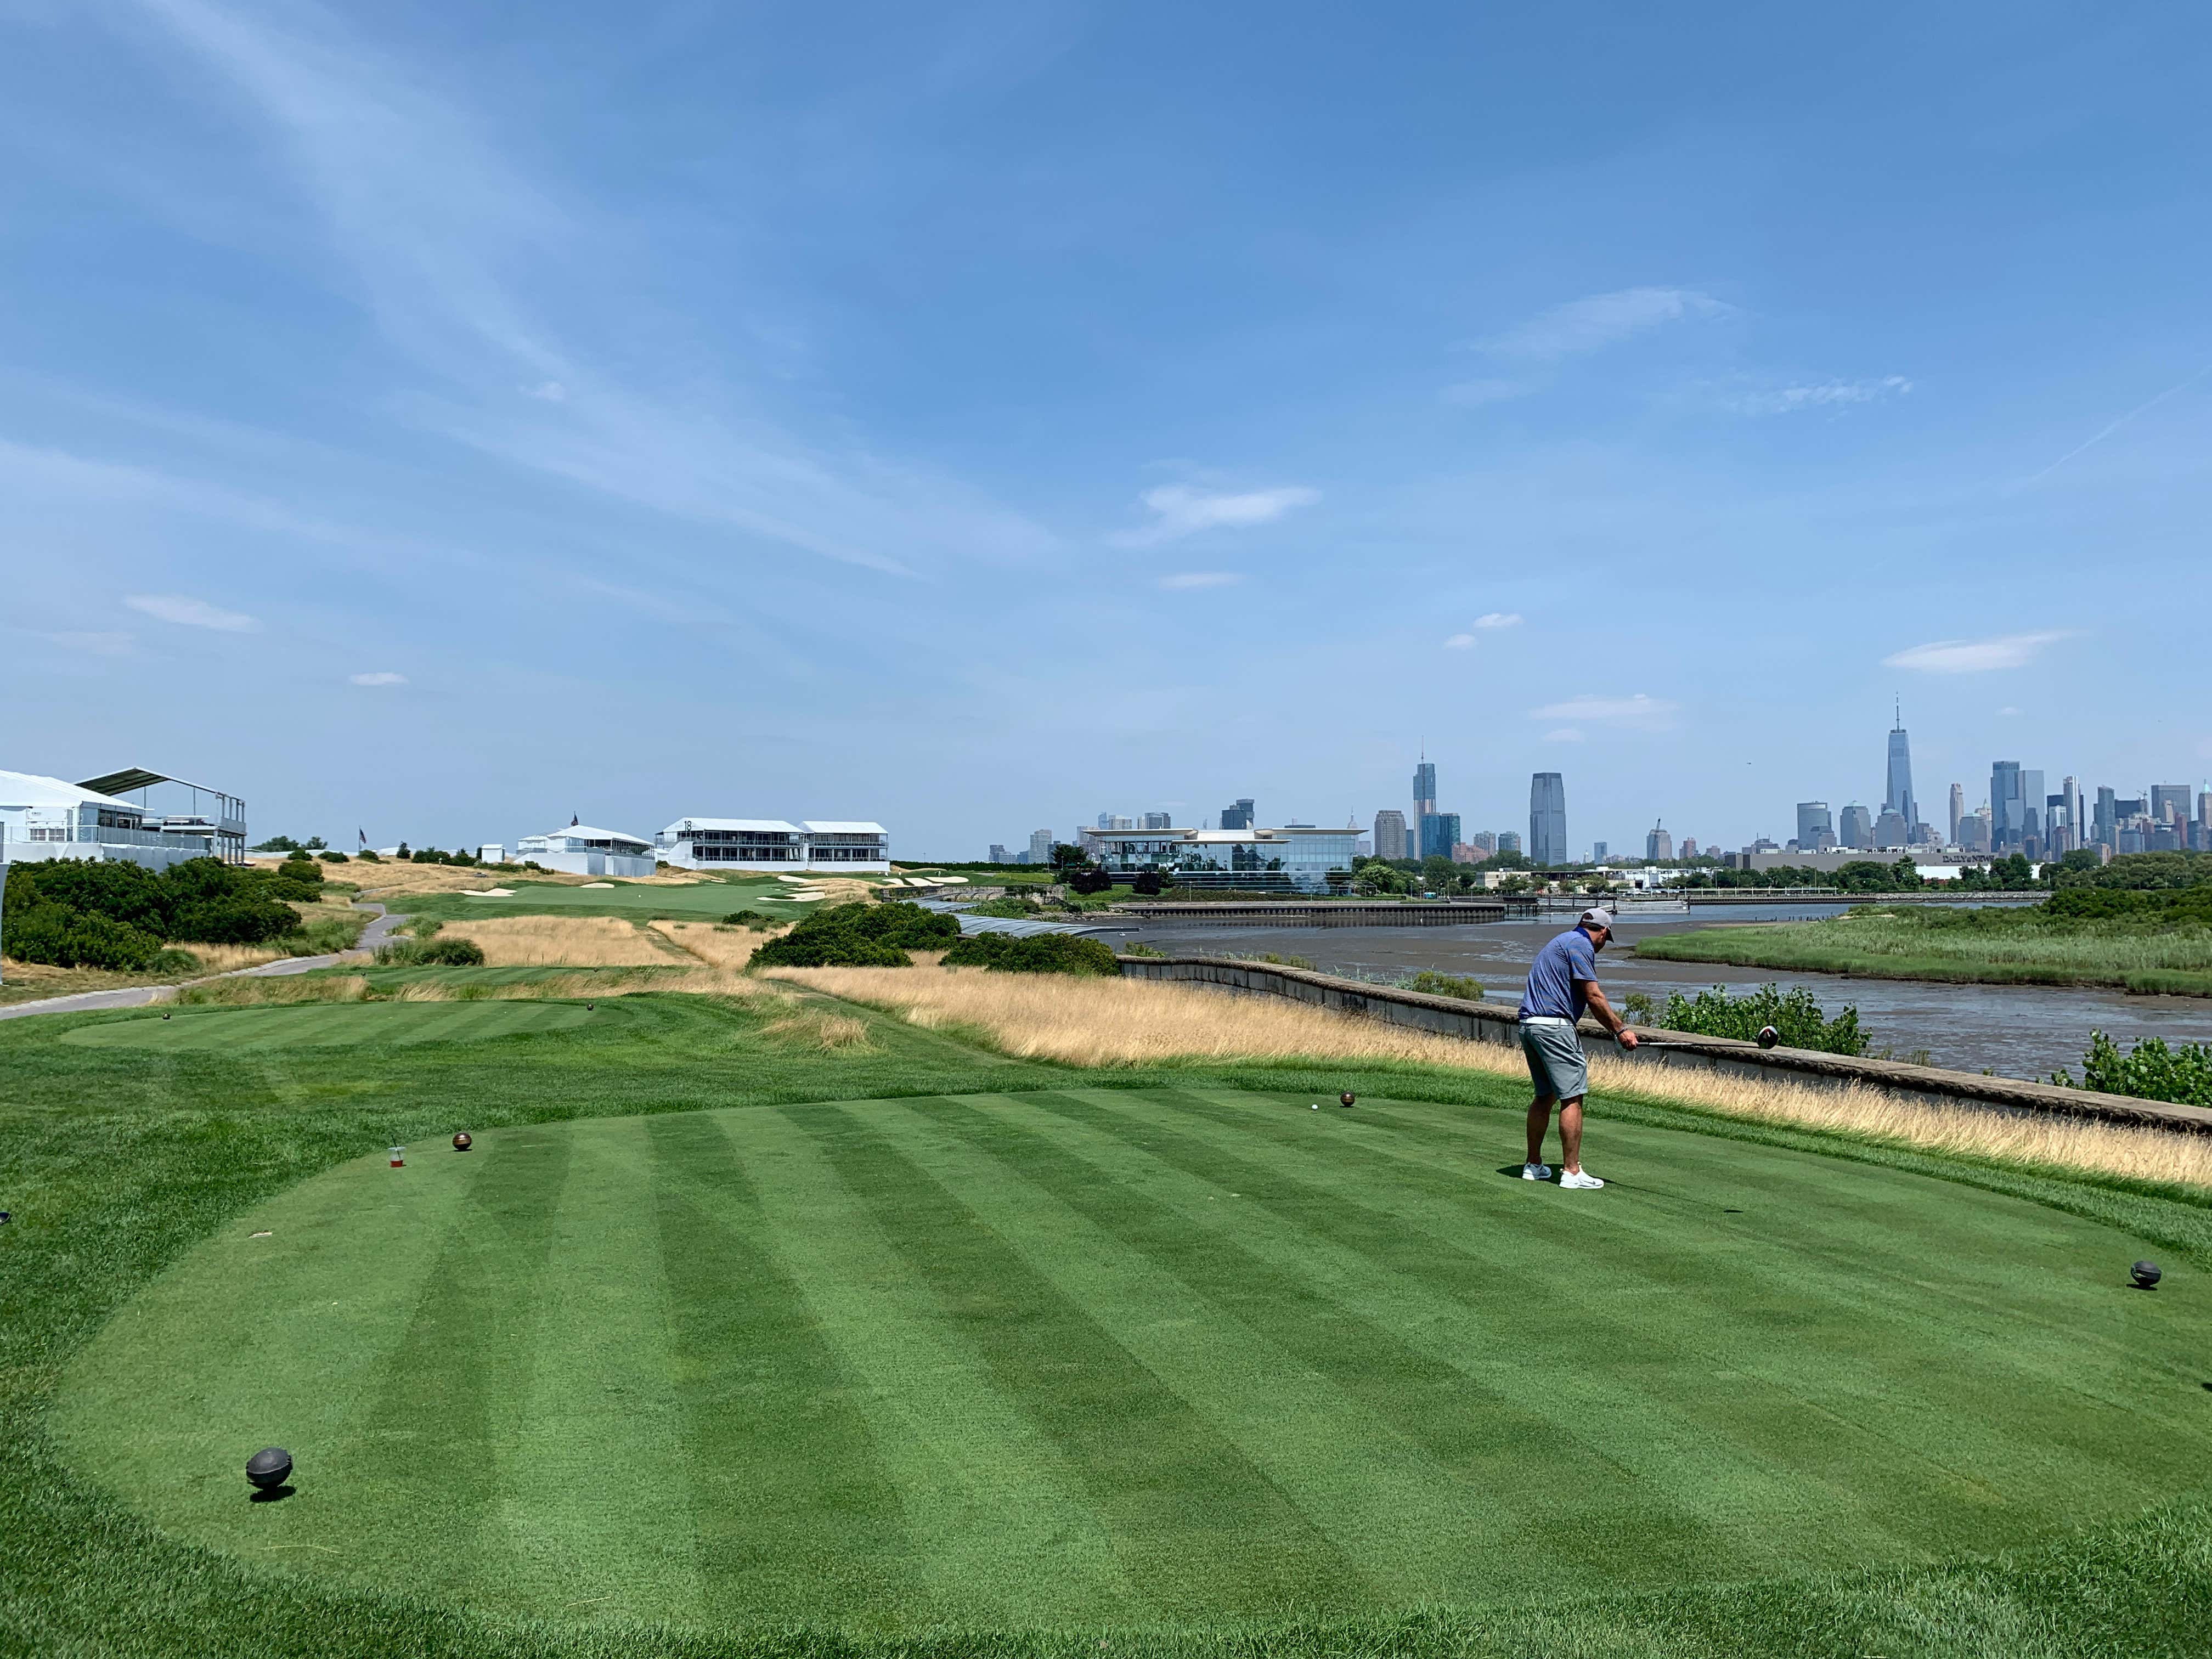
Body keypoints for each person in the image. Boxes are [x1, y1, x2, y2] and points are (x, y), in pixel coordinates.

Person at [1517, 907, 1637, 1189]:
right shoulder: (1581, 945)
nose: (1604, 945)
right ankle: (1571, 1172)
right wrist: (1621, 1030)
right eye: (1606, 939)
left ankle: (1533, 1165)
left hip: (1529, 1025)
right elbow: (1593, 995)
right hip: (1554, 1027)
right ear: (1604, 932)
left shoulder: (1562, 940)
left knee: (1545, 1096)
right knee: (1572, 1096)